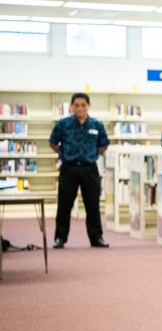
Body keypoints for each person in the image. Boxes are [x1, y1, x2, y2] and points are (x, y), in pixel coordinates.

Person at [49, 92, 109, 249]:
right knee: (64, 204)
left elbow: (103, 145)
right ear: (71, 106)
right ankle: (60, 238)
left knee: (93, 205)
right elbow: (53, 143)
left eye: (83, 105)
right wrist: (65, 154)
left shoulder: (97, 125)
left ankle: (96, 238)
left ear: (88, 106)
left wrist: (91, 155)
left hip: (90, 168)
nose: (80, 108)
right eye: (76, 105)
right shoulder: (62, 124)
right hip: (69, 168)